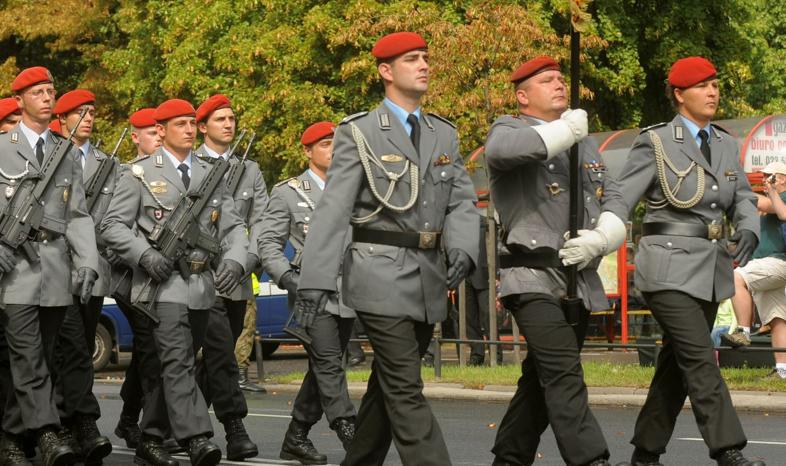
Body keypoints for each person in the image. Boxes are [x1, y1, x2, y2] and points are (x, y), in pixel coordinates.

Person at [295, 32, 479, 465]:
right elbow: (333, 211)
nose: (423, 65)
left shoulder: (442, 133)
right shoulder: (359, 132)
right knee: (405, 387)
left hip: (428, 276)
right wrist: (315, 283)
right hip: (378, 274)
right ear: (385, 71)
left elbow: (462, 201)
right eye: (412, 59)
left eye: (425, 58)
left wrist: (465, 250)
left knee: (386, 387)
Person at [616, 56, 765, 466]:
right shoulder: (657, 141)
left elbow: (744, 198)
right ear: (680, 95)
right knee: (700, 357)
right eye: (702, 86)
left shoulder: (725, 142)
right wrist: (603, 231)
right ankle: (728, 449)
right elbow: (622, 196)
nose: (713, 92)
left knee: (676, 363)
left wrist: (748, 225)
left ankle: (645, 453)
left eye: (715, 84)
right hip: (666, 267)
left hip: (709, 268)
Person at [484, 56, 627, 466]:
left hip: (576, 278)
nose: (560, 84)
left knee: (539, 379)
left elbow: (612, 194)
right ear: (523, 96)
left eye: (561, 78)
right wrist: (566, 129)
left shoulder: (584, 142)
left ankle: (509, 458)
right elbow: (503, 152)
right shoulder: (508, 129)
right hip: (529, 275)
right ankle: (592, 458)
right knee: (564, 371)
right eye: (547, 81)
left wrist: (602, 237)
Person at [100, 99, 248, 466]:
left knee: (179, 363)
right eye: (179, 123)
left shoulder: (212, 174)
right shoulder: (137, 174)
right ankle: (197, 437)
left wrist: (235, 259)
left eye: (190, 123)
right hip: (160, 286)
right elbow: (112, 226)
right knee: (178, 362)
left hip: (201, 285)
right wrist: (143, 254)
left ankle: (151, 438)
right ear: (161, 130)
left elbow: (231, 226)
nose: (187, 128)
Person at [0, 66, 99, 466]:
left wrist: (88, 261)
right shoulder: (1, 146)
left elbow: (78, 214)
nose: (46, 96)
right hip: (14, 272)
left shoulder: (66, 152)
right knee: (27, 356)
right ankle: (47, 432)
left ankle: (10, 439)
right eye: (37, 91)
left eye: (50, 90)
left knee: (42, 355)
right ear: (20, 99)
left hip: (56, 269)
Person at [259, 121, 357, 463]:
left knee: (322, 366)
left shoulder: (352, 188)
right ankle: (349, 430)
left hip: (349, 291)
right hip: (309, 293)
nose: (334, 150)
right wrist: (288, 279)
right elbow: (268, 243)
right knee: (330, 363)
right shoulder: (288, 192)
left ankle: (296, 436)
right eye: (327, 144)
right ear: (308, 151)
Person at [193, 93, 263, 461]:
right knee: (222, 353)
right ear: (202, 126)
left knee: (212, 359)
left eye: (232, 118)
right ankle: (234, 428)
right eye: (220, 119)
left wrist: (244, 261)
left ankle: (179, 427)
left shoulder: (249, 170)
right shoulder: (191, 165)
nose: (229, 124)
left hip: (236, 279)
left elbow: (261, 223)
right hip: (201, 275)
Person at [51, 88, 113, 464]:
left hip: (93, 269)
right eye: (79, 112)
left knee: (82, 348)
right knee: (69, 348)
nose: (88, 117)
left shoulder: (109, 163)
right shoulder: (53, 156)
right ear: (62, 120)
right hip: (57, 267)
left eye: (91, 112)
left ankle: (72, 424)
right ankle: (78, 422)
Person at [113, 107, 162, 450]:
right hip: (129, 277)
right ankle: (148, 429)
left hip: (161, 278)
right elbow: (111, 228)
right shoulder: (124, 174)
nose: (159, 135)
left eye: (162, 130)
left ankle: (131, 419)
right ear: (135, 137)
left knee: (152, 350)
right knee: (149, 345)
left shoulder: (170, 174)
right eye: (151, 131)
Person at [727, 161, 786, 380]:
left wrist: (735, 189)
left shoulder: (782, 198)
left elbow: (769, 207)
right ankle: (783, 371)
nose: (764, 178)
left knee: (736, 277)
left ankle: (742, 332)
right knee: (777, 318)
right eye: (763, 175)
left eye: (769, 175)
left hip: (777, 262)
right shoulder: (774, 200)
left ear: (782, 178)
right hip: (768, 264)